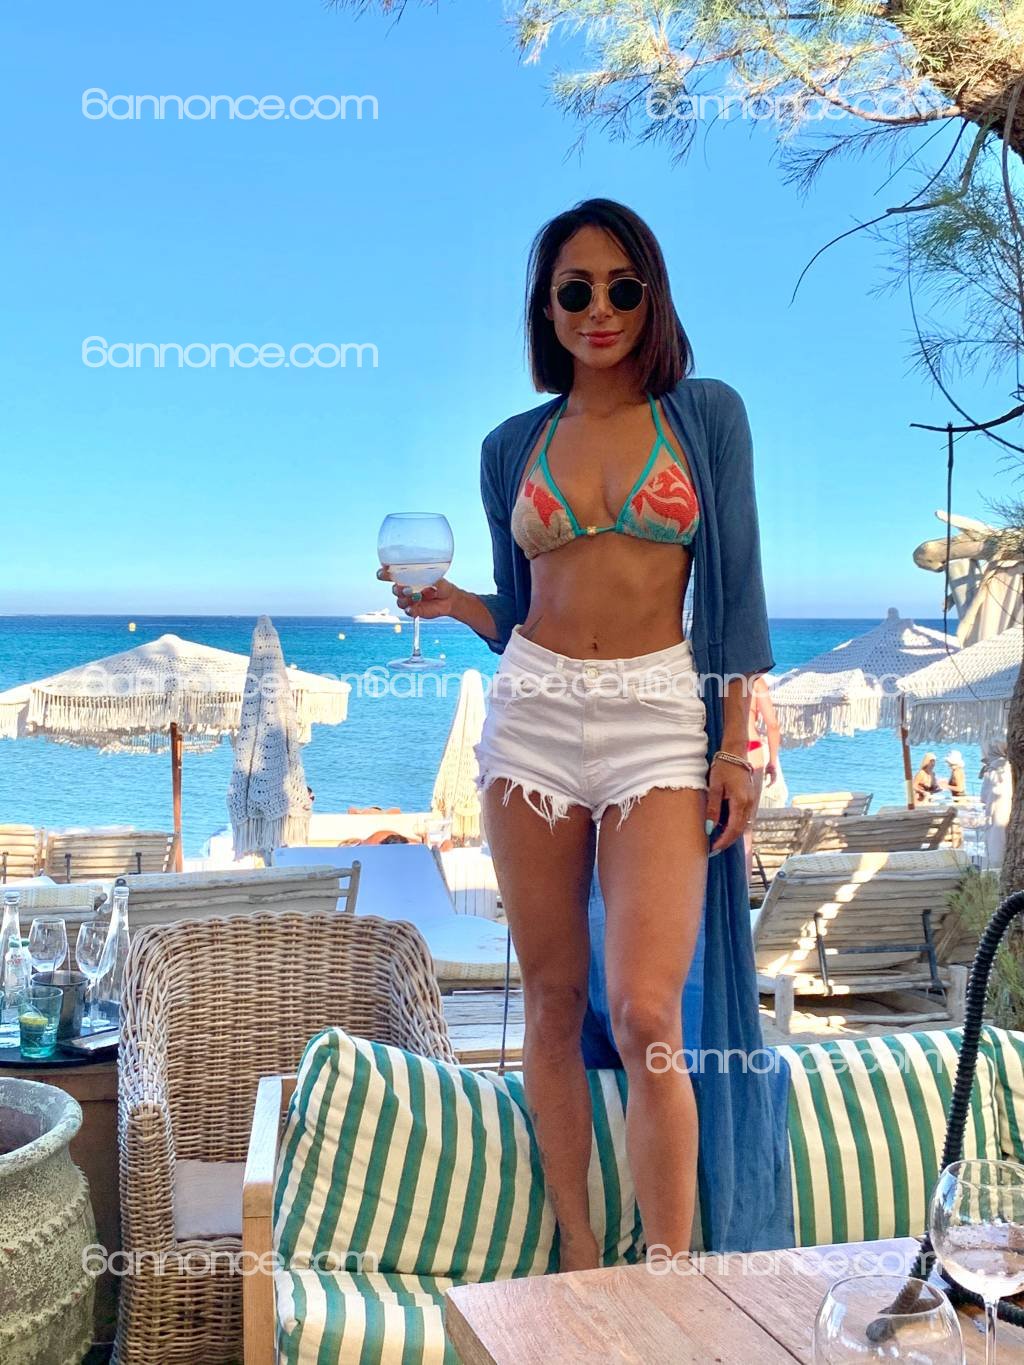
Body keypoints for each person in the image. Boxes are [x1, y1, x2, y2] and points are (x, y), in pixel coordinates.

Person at [377, 198, 784, 1259]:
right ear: (546, 309)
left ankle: (671, 1270)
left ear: (651, 298)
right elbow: (523, 608)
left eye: (620, 287)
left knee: (648, 1011)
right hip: (533, 717)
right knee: (551, 999)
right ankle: (579, 1252)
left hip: (658, 716)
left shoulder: (705, 416)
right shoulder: (511, 446)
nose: (598, 309)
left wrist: (737, 742)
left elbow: (737, 591)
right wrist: (456, 607)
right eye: (575, 290)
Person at [744, 673, 781, 879]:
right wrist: (772, 761)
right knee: (746, 830)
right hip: (751, 749)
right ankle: (743, 892)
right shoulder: (757, 681)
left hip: (722, 749)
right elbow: (772, 725)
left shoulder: (717, 676)